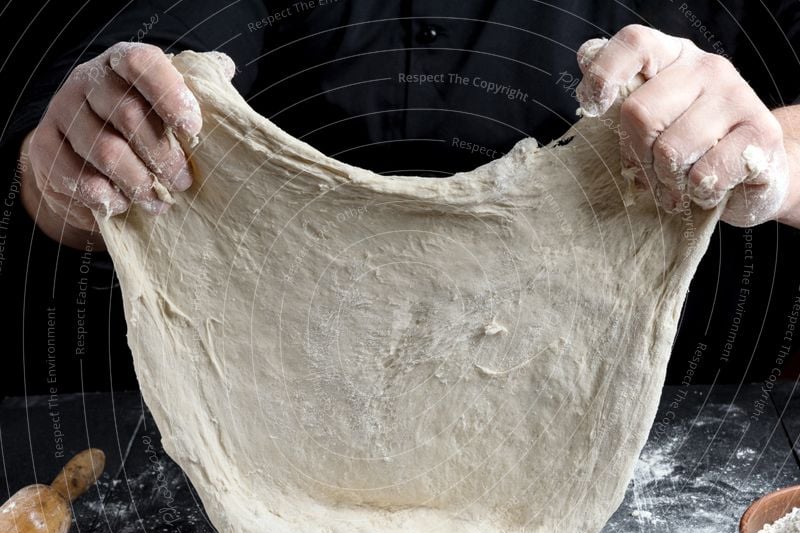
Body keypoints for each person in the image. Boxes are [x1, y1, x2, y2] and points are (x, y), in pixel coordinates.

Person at [3, 0, 800, 394]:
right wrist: (65, 170)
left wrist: (773, 159)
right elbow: (69, 128)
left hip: (670, 417)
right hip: (245, 412)